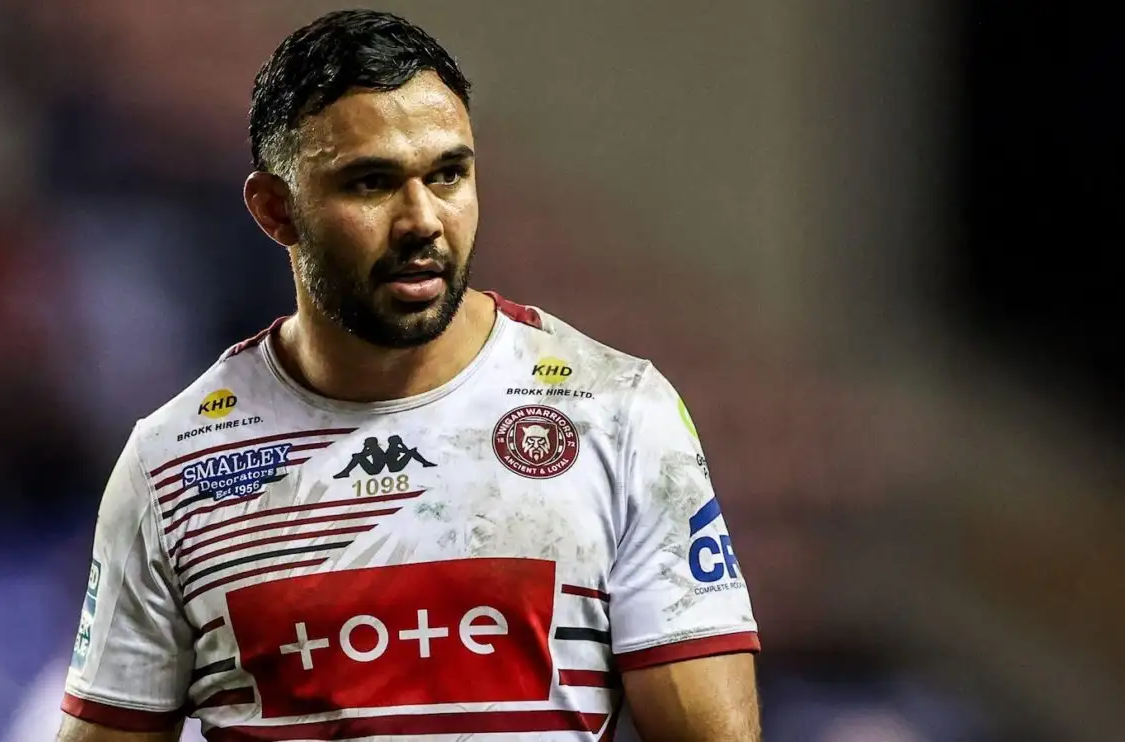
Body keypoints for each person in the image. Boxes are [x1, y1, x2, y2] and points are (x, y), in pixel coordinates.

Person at [58, 9, 760, 741]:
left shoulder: (616, 415)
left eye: (449, 174)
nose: (422, 219)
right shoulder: (172, 466)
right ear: (275, 210)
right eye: (372, 183)